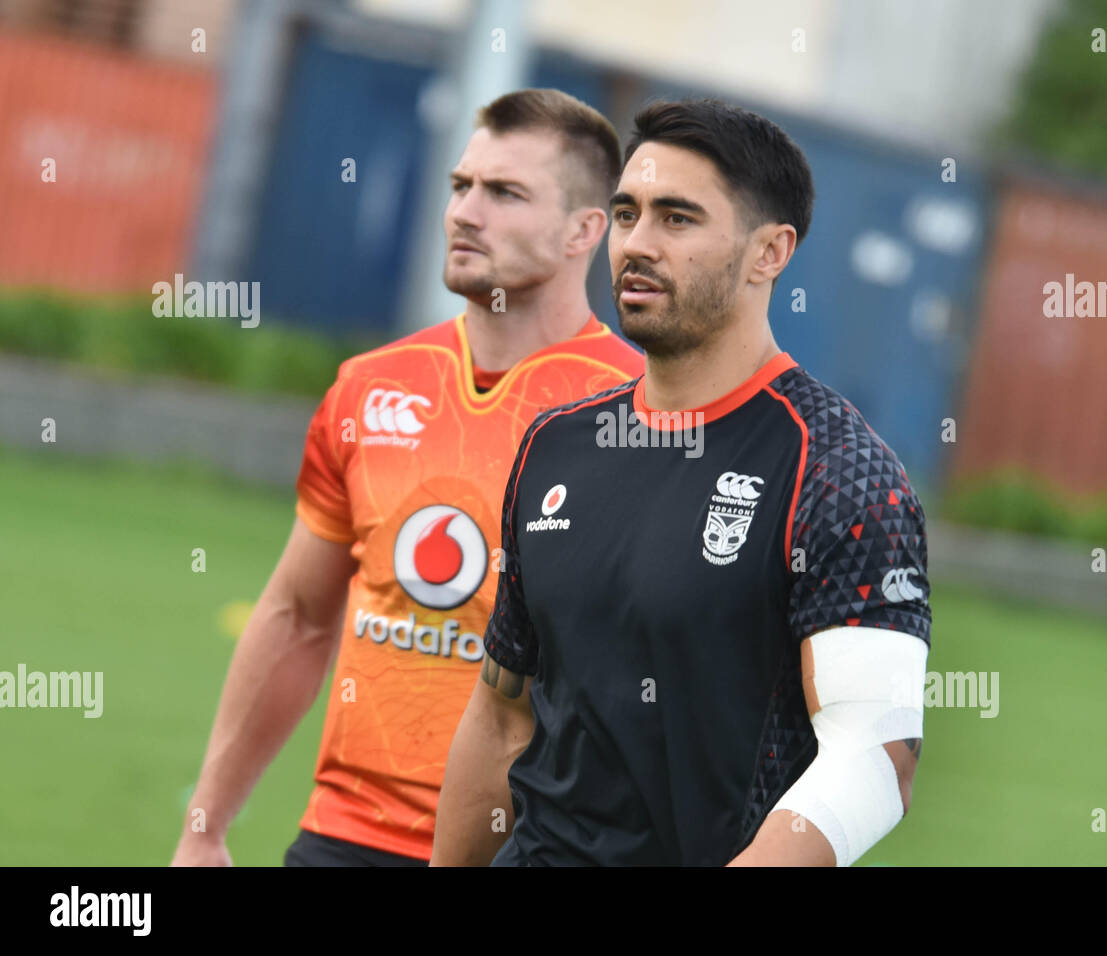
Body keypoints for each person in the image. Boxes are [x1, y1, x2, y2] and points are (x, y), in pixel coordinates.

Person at [431, 98, 932, 867]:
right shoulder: (555, 447)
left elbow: (875, 756)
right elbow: (502, 716)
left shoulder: (840, 473)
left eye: (677, 219)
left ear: (771, 252)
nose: (636, 243)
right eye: (626, 213)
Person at [170, 89, 643, 866]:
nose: (465, 211)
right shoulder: (369, 386)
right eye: (462, 186)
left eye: (505, 193)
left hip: (534, 847)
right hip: (346, 838)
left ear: (583, 230)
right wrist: (206, 824)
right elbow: (297, 616)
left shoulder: (641, 415)